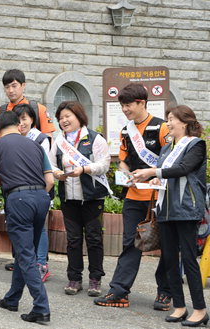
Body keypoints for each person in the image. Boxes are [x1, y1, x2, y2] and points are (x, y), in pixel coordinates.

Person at [94, 83, 171, 310]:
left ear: (141, 103)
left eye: (128, 105)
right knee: (130, 243)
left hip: (160, 197)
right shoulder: (126, 130)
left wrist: (156, 177)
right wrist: (126, 173)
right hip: (134, 197)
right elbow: (124, 158)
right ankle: (119, 291)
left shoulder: (161, 128)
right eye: (122, 106)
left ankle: (165, 293)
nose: (125, 110)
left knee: (167, 244)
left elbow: (170, 161)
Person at [131, 105, 207, 326]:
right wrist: (156, 179)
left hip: (186, 209)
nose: (168, 124)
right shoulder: (167, 148)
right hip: (165, 209)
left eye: (171, 119)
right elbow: (166, 174)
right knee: (170, 260)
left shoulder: (196, 145)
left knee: (189, 260)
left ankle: (200, 309)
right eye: (167, 119)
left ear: (184, 122)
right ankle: (180, 306)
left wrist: (153, 172)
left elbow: (184, 169)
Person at [0, 110, 54, 323]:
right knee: (25, 252)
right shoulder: (35, 145)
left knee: (25, 255)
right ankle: (12, 299)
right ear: (17, 125)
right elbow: (49, 180)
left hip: (19, 199)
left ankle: (41, 307)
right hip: (41, 198)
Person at [50, 101, 110, 297]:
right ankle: (74, 277)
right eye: (61, 118)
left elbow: (104, 165)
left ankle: (95, 278)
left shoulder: (94, 139)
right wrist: (57, 172)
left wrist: (85, 169)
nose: (64, 120)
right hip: (69, 197)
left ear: (79, 116)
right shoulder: (58, 141)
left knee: (93, 238)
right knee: (73, 240)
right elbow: (50, 164)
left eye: (68, 116)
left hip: (92, 197)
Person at [14, 104, 53, 282]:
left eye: (24, 119)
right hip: (20, 190)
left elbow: (46, 168)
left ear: (32, 120)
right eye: (18, 120)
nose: (21, 123)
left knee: (40, 227)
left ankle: (41, 263)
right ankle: (25, 261)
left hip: (39, 189)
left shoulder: (41, 139)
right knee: (23, 227)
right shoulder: (12, 139)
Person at [0, 69, 56, 136]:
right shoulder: (2, 111)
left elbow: (48, 137)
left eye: (14, 86)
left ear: (23, 85)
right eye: (7, 87)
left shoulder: (38, 109)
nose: (10, 90)